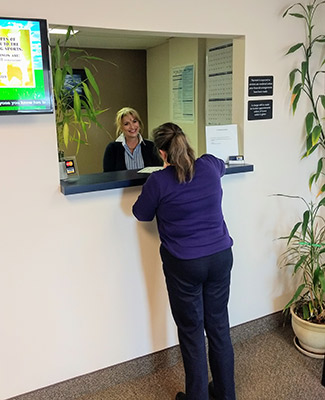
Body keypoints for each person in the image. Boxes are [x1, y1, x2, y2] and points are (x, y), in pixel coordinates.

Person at [132, 122, 236, 400]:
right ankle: (227, 395)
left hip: (185, 264)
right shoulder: (210, 166)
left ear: (162, 153)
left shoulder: (159, 182)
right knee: (218, 326)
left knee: (191, 333)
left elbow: (141, 213)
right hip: (220, 258)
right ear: (185, 143)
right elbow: (220, 165)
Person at [103, 107, 162, 172]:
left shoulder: (151, 146)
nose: (132, 126)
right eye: (126, 124)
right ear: (121, 127)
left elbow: (158, 173)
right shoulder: (112, 149)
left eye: (134, 121)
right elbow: (108, 176)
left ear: (139, 123)